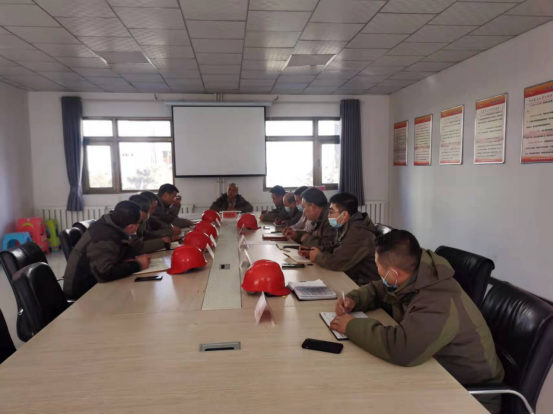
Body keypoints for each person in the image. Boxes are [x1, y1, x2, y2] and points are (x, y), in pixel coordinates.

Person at [331, 230, 505, 414]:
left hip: (471, 396)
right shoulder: (416, 273)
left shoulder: (438, 301)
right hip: (436, 372)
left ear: (393, 273)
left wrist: (350, 326)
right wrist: (355, 299)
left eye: (378, 265)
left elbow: (401, 348)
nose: (376, 269)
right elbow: (379, 289)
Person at [63, 201, 152, 300]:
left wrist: (131, 259)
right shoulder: (103, 237)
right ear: (131, 227)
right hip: (83, 293)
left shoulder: (113, 224)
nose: (141, 224)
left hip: (96, 282)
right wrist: (138, 265)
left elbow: (125, 247)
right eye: (140, 222)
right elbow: (105, 273)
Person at [307, 193, 380, 285]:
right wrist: (313, 251)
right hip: (349, 275)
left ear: (344, 215)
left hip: (361, 283)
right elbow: (335, 247)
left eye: (331, 212)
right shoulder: (344, 225)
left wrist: (318, 256)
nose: (328, 216)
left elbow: (337, 262)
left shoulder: (359, 233)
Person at [284, 187, 334, 252]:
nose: (304, 211)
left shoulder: (330, 219)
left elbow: (327, 247)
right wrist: (297, 235)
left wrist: (307, 239)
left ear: (312, 207)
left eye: (304, 208)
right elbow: (312, 235)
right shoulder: (319, 217)